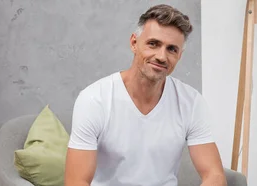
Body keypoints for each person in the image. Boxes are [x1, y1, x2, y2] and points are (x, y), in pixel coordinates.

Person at [64, 4, 226, 186]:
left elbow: (214, 175)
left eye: (172, 49)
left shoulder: (191, 102)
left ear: (180, 55)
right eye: (153, 44)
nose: (161, 57)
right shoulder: (95, 100)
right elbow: (76, 181)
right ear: (134, 43)